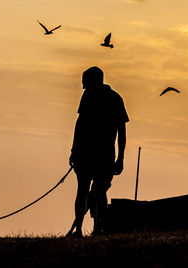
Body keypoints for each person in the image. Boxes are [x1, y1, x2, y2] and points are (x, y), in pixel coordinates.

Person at [68, 66, 129, 236]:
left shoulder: (113, 99)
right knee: (92, 191)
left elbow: (121, 132)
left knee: (92, 191)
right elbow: (79, 125)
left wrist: (121, 157)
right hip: (92, 154)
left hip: (97, 154)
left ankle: (95, 228)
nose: (82, 87)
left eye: (85, 82)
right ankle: (87, 228)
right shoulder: (101, 97)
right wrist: (74, 150)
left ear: (94, 80)